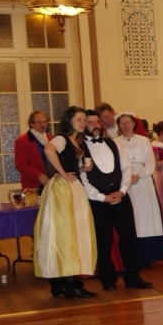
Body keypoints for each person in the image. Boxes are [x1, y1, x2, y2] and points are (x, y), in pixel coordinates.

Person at [82, 110, 153, 292]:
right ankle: (108, 280)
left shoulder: (113, 144)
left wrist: (121, 191)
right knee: (103, 240)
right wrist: (102, 197)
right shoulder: (80, 148)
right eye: (90, 123)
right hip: (99, 201)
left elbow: (126, 168)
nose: (95, 125)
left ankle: (133, 276)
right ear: (84, 126)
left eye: (97, 122)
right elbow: (84, 180)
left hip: (121, 196)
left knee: (129, 237)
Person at [33, 106, 97, 299]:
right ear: (69, 120)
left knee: (67, 234)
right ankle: (69, 282)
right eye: (79, 119)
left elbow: (67, 162)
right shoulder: (62, 138)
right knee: (68, 234)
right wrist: (61, 173)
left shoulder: (74, 141)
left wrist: (82, 169)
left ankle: (62, 282)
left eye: (84, 120)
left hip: (69, 188)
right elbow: (48, 149)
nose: (83, 122)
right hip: (63, 190)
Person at [115, 112, 163, 266]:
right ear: (118, 125)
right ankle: (130, 255)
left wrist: (139, 174)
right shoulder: (114, 142)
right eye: (122, 123)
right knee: (130, 218)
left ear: (133, 123)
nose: (125, 125)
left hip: (142, 183)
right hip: (124, 184)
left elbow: (150, 164)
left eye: (128, 122)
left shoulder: (144, 141)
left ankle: (148, 255)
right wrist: (126, 177)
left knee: (145, 217)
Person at [13, 110, 51, 194]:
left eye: (45, 122)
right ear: (31, 124)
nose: (43, 125)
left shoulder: (51, 138)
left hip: (52, 183)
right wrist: (39, 175)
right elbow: (20, 165)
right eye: (39, 122)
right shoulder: (22, 141)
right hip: (33, 185)